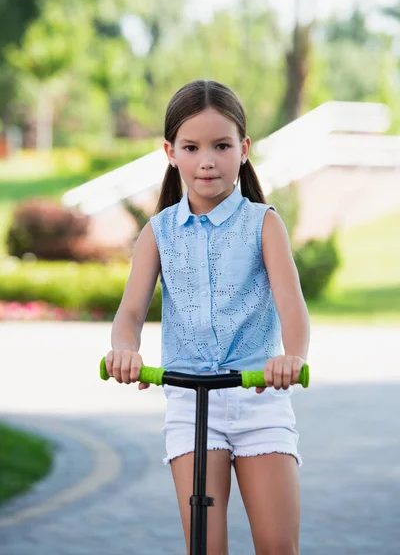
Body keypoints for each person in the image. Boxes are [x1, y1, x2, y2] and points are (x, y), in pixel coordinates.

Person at [106, 80, 310, 555]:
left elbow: (292, 307)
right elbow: (130, 312)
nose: (207, 161)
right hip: (190, 403)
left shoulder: (264, 224)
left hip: (258, 399)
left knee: (278, 545)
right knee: (205, 547)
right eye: (192, 147)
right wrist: (124, 350)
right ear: (170, 152)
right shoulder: (157, 233)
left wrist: (291, 357)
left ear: (244, 148)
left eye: (221, 146)